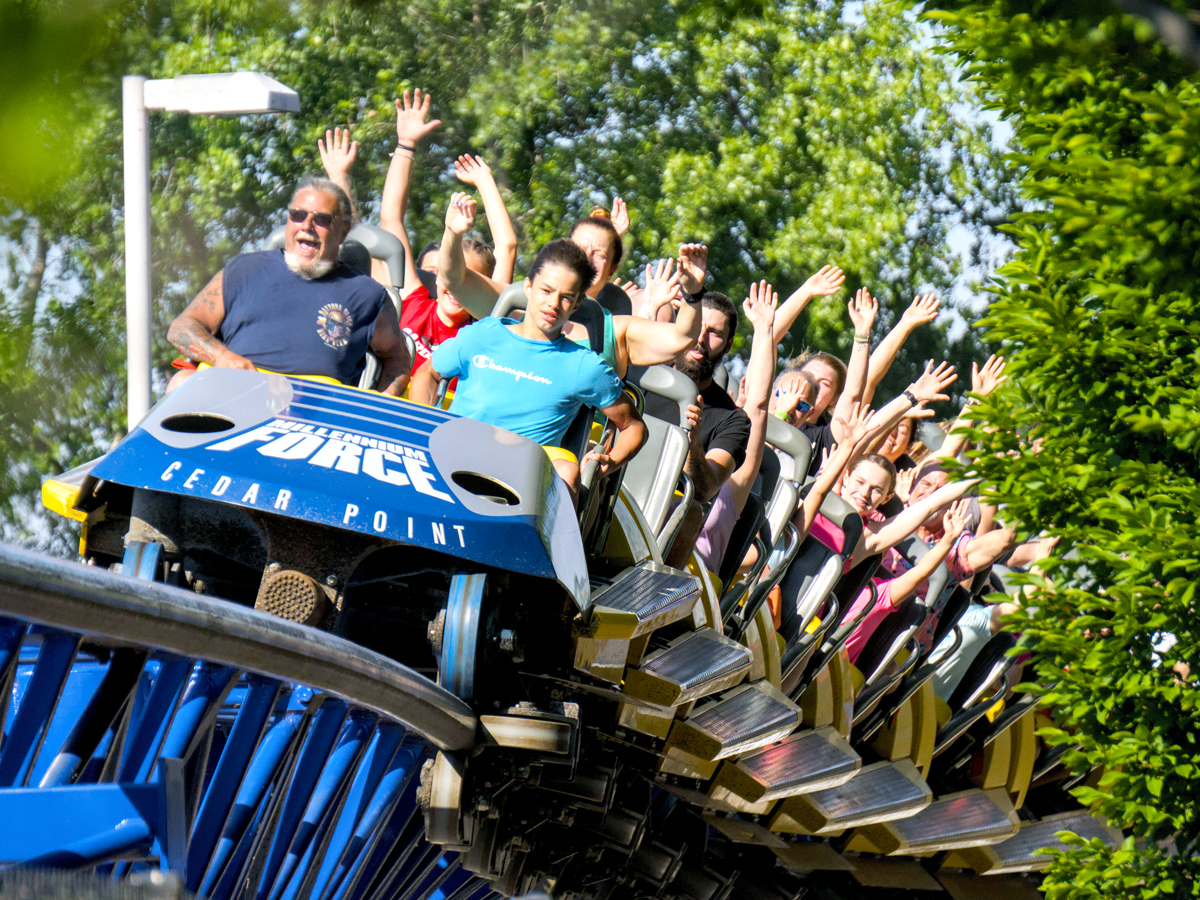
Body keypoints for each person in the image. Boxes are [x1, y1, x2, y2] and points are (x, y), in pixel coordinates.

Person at [410, 237, 646, 495]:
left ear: (577, 304)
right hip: (454, 455)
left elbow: (634, 427)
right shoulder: (483, 334)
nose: (553, 304)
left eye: (566, 297)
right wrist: (423, 421)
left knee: (567, 471)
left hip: (520, 482)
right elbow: (428, 373)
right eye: (546, 290)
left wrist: (610, 462)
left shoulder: (584, 365)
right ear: (528, 287)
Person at [166, 176, 411, 395]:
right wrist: (221, 356)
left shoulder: (368, 295)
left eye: (322, 220)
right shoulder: (243, 270)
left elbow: (398, 360)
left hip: (317, 416)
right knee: (182, 381)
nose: (307, 226)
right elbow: (181, 327)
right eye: (298, 215)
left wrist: (376, 408)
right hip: (234, 397)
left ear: (344, 230)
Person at [641, 289, 751, 567]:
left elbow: (705, 489)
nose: (701, 340)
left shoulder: (732, 419)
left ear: (727, 345)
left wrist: (692, 442)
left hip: (663, 509)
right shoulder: (642, 371)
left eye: (714, 333)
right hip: (612, 480)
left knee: (690, 511)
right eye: (698, 326)